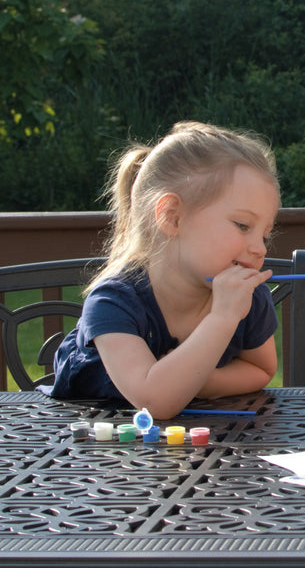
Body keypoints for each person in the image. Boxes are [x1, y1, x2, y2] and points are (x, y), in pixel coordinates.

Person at [48, 121, 282, 418]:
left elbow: (261, 369)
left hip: (204, 446)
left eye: (265, 233)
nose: (260, 248)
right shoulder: (113, 302)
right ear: (172, 217)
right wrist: (222, 317)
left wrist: (202, 381)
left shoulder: (248, 297)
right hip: (98, 443)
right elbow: (154, 401)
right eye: (243, 226)